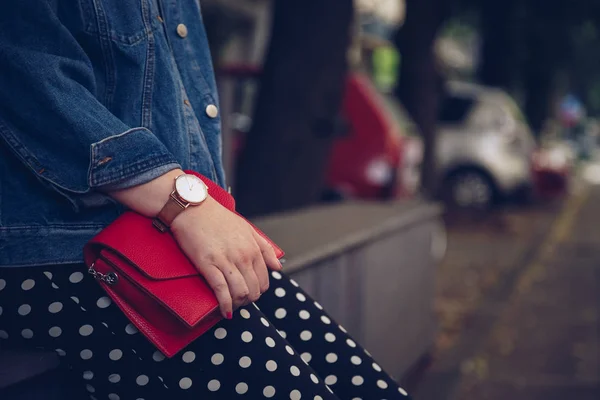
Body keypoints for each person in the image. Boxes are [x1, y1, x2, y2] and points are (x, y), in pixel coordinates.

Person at [0, 1, 411, 399]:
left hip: (153, 233)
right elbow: (24, 73)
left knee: (364, 386)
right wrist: (185, 205)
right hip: (60, 243)